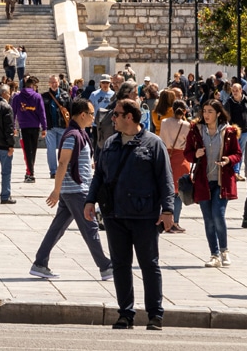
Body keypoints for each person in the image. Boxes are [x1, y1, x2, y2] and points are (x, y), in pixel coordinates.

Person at [84, 98, 176, 331]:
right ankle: (126, 313)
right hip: (115, 215)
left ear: (129, 117)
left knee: (149, 264)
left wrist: (167, 210)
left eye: (116, 114)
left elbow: (165, 179)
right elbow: (100, 176)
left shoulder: (153, 144)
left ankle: (155, 314)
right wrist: (90, 200)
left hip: (144, 215)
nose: (111, 118)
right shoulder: (110, 143)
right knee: (121, 265)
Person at [31, 99, 113, 280]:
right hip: (76, 190)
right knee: (90, 227)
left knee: (57, 229)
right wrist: (56, 190)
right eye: (92, 114)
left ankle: (39, 263)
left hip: (74, 190)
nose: (93, 117)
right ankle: (106, 266)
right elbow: (62, 163)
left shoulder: (80, 134)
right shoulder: (72, 135)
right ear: (82, 114)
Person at [185, 98, 240, 268]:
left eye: (210, 111)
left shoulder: (229, 131)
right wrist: (196, 154)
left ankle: (224, 251)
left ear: (218, 113)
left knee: (218, 214)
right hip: (203, 181)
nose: (206, 114)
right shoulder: (195, 130)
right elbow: (187, 153)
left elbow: (237, 154)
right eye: (204, 111)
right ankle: (214, 254)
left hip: (221, 180)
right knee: (208, 219)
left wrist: (228, 160)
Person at [157, 100, 192, 233]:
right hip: (181, 158)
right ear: (184, 111)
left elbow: (161, 139)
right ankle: (174, 221)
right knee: (178, 193)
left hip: (167, 156)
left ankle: (164, 218)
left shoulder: (165, 122)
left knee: (167, 190)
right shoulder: (187, 125)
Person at [12, 75, 47, 184]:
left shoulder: (17, 97)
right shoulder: (37, 96)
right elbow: (42, 112)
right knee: (33, 149)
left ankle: (30, 173)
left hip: (24, 126)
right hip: (35, 126)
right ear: (33, 85)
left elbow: (12, 112)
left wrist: (13, 127)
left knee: (27, 150)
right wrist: (44, 127)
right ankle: (31, 172)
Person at [42, 76, 70, 179]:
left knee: (64, 149)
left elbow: (70, 110)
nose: (54, 84)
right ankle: (53, 171)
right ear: (49, 83)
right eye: (51, 82)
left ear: (59, 83)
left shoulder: (65, 95)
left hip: (63, 126)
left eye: (55, 82)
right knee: (51, 149)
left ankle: (63, 169)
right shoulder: (44, 96)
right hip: (50, 127)